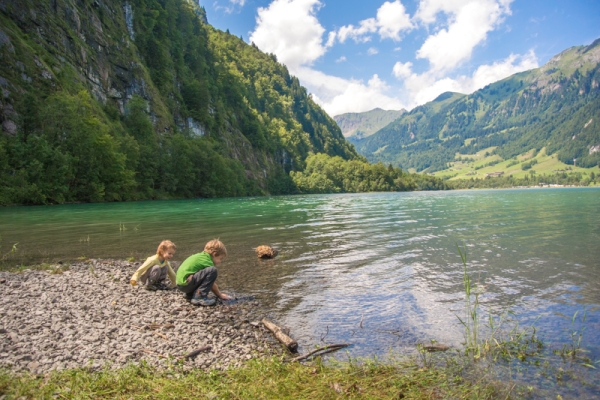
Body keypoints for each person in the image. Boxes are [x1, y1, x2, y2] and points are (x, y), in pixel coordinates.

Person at [176, 238, 232, 306]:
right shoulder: (207, 261)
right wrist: (219, 295)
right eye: (220, 258)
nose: (220, 262)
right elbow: (211, 283)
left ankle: (190, 294)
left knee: (202, 274)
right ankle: (199, 297)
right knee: (212, 270)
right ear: (214, 254)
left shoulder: (200, 257)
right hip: (186, 285)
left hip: (180, 285)